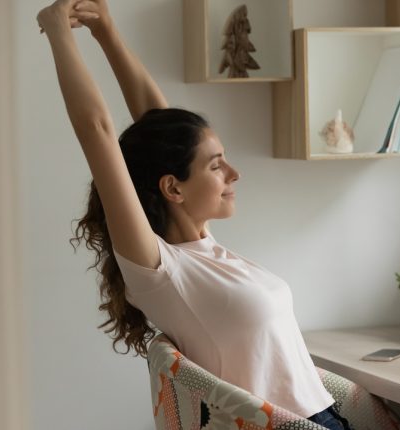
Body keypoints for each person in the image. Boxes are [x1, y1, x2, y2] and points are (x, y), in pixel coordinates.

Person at [37, 1, 350, 428]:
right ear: (173, 188)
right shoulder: (162, 269)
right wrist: (59, 32)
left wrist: (107, 32)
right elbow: (97, 131)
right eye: (217, 164)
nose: (234, 173)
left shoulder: (203, 250)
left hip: (323, 417)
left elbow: (161, 129)